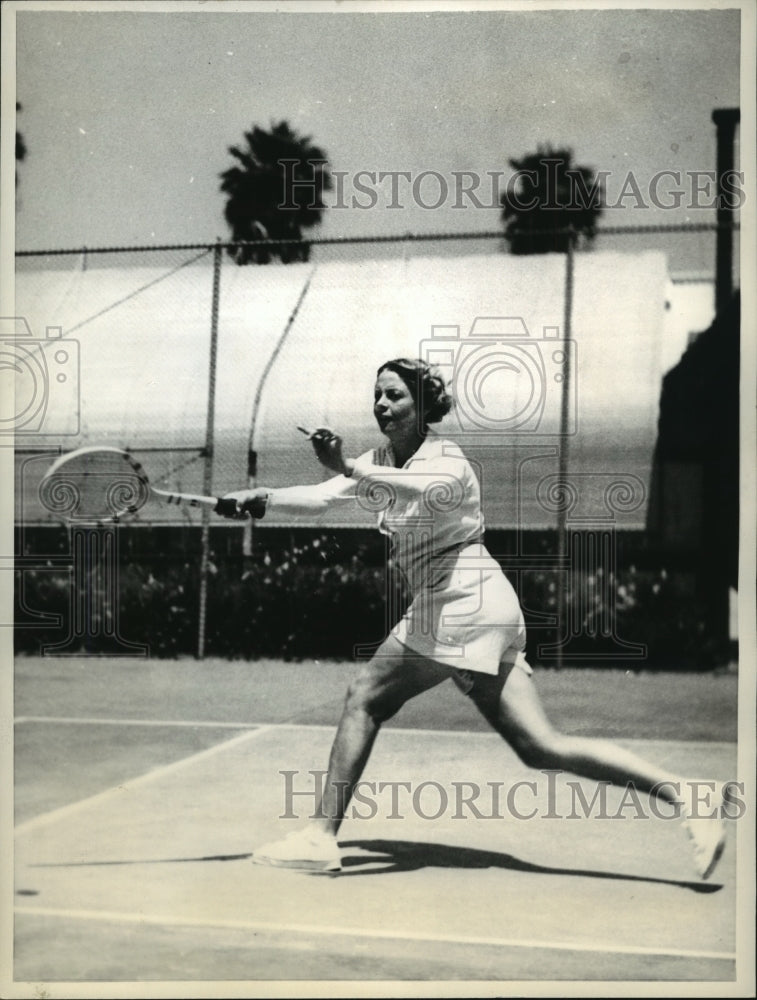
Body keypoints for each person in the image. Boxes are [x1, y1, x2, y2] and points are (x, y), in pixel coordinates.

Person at [224, 358, 732, 879]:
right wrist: (261, 499)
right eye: (377, 395)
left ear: (423, 405)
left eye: (395, 395)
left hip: (461, 602)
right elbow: (323, 498)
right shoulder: (379, 459)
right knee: (539, 747)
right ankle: (687, 793)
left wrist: (347, 467)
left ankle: (319, 837)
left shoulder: (447, 460)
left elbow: (416, 490)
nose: (382, 405)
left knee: (365, 696)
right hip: (477, 605)